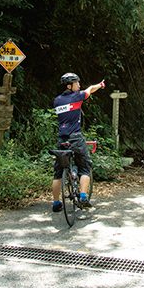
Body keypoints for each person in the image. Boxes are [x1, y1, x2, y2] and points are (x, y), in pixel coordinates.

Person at [51, 72, 105, 212]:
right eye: (77, 83)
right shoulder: (77, 96)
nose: (79, 85)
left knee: (58, 172)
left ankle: (56, 203)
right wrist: (100, 85)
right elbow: (90, 89)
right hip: (75, 138)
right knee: (85, 167)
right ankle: (83, 196)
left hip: (62, 139)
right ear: (69, 86)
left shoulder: (57, 100)